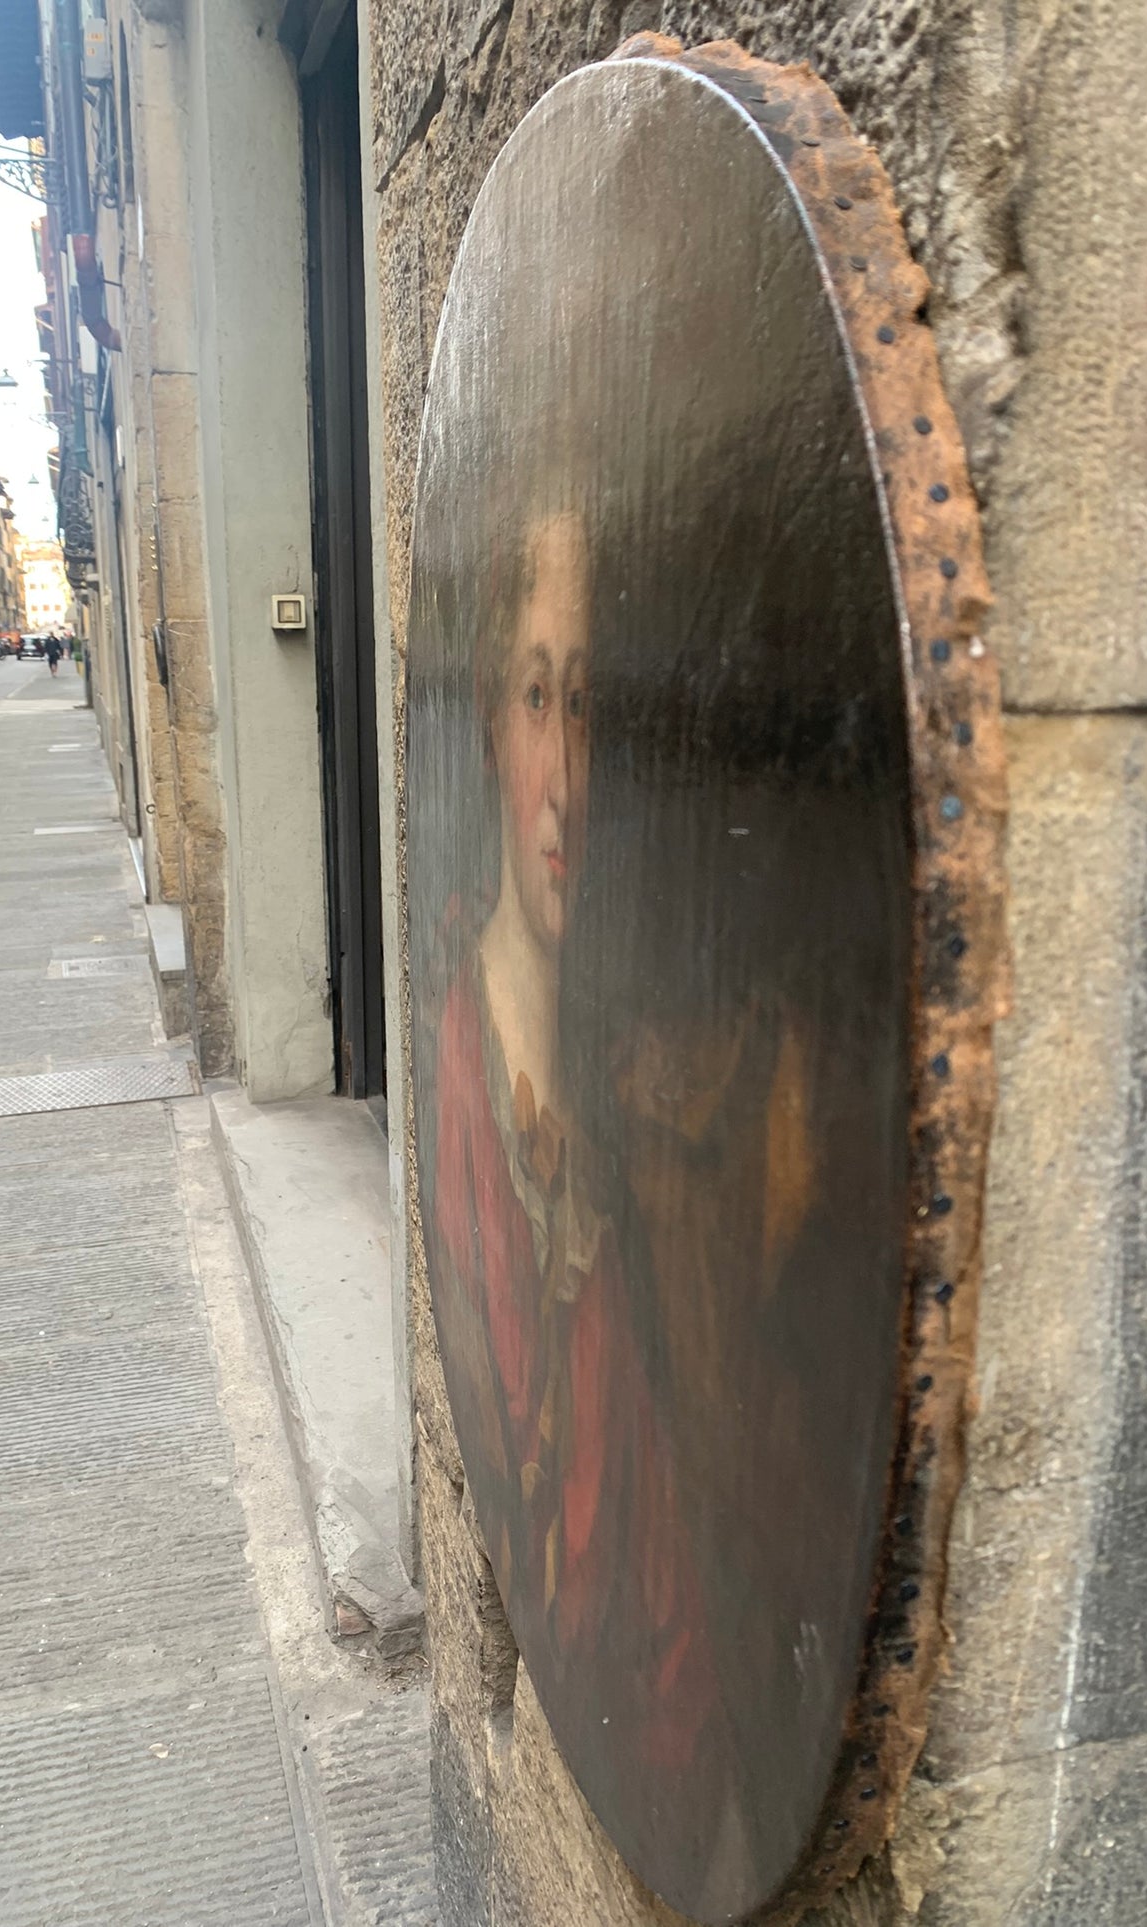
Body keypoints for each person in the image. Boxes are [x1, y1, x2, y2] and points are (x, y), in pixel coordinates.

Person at [427, 510, 725, 1820]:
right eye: (538, 697)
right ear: (490, 722)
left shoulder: (624, 1065)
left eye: (591, 708)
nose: (566, 780)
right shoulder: (457, 1088)